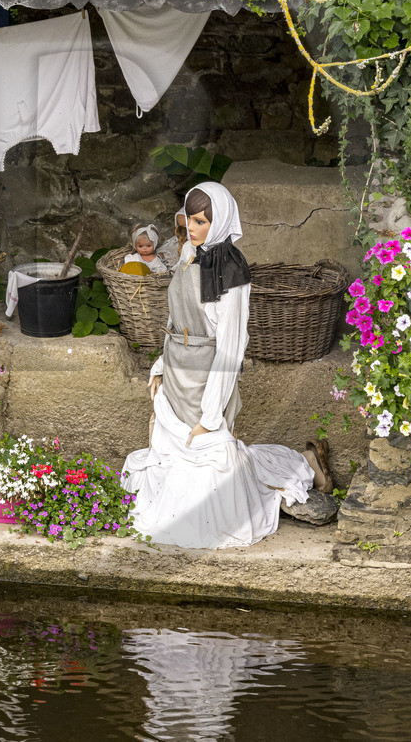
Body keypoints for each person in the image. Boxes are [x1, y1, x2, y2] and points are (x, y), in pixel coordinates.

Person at [122, 181, 329, 548]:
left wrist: (211, 417)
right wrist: (159, 368)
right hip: (176, 370)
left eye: (203, 222)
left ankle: (303, 465)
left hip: (208, 376)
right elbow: (176, 318)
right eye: (191, 220)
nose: (195, 229)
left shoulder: (231, 270)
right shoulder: (187, 251)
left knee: (207, 475)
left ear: (219, 221)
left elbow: (232, 345)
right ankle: (302, 461)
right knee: (167, 473)